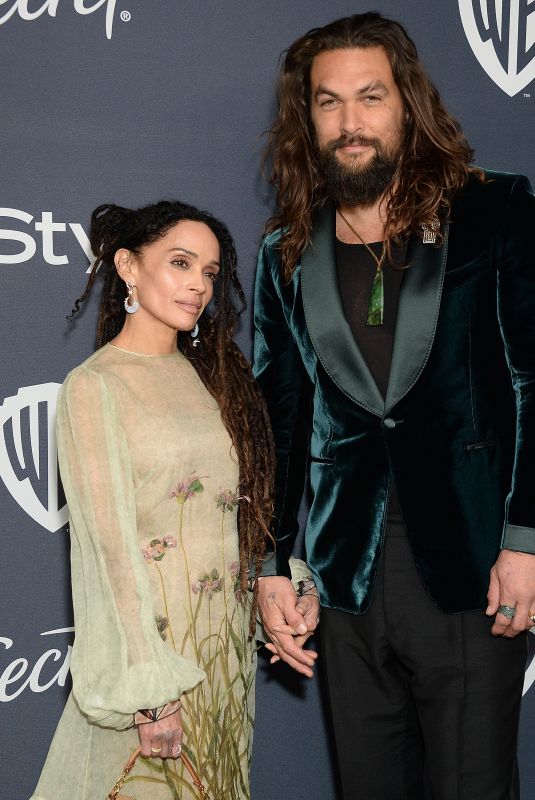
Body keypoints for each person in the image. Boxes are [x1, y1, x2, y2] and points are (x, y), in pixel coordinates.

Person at [253, 12, 535, 800]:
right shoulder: (286, 251)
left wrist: (526, 539)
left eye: (369, 97)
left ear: (406, 103)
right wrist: (273, 564)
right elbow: (278, 416)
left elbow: (530, 382)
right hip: (347, 580)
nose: (350, 122)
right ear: (305, 119)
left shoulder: (495, 211)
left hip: (474, 565)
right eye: (328, 102)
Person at [31, 200, 311, 800]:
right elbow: (108, 553)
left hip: (222, 663)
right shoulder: (95, 386)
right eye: (180, 262)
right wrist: (150, 693)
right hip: (155, 672)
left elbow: (235, 514)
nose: (198, 285)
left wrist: (279, 590)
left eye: (210, 272)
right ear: (128, 266)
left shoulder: (213, 381)